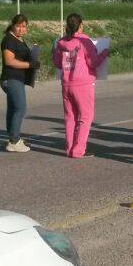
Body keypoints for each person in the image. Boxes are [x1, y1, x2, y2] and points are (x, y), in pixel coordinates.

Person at [54, 13, 111, 158]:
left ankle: (70, 149)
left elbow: (56, 63)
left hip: (66, 83)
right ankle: (78, 150)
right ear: (80, 26)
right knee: (85, 117)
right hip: (83, 83)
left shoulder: (60, 43)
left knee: (70, 117)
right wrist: (104, 53)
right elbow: (93, 62)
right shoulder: (84, 41)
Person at [1, 14, 34, 152]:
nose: (21, 29)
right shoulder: (9, 40)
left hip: (17, 79)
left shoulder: (18, 39)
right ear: (13, 25)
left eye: (24, 26)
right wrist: (29, 65)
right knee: (21, 108)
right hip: (11, 78)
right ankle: (14, 141)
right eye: (18, 26)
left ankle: (12, 137)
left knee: (13, 108)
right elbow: (9, 61)